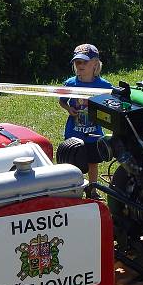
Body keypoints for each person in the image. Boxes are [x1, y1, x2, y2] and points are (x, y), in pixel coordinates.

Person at [59, 44, 112, 188]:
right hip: (74, 132)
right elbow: (62, 102)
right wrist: (69, 109)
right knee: (74, 162)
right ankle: (75, 188)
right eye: (77, 62)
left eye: (85, 61)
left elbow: (111, 105)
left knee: (92, 162)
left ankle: (93, 188)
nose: (80, 65)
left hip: (94, 133)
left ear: (95, 63)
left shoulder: (104, 86)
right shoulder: (70, 83)